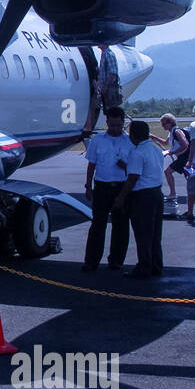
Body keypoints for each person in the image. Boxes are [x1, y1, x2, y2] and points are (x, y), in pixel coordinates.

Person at [82, 106, 133, 272]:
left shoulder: (130, 142)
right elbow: (91, 164)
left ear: (123, 123)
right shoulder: (98, 140)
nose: (115, 129)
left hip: (121, 187)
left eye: (118, 125)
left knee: (121, 225)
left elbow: (135, 169)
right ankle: (91, 261)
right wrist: (88, 186)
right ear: (107, 123)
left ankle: (116, 260)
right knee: (98, 225)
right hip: (102, 186)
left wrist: (125, 166)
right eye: (112, 125)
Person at [114, 120, 164, 279]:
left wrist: (121, 198)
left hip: (143, 196)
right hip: (157, 192)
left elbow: (133, 178)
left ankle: (144, 267)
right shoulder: (156, 150)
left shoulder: (136, 153)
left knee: (142, 233)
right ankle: (156, 264)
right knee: (155, 234)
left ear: (133, 136)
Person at [150, 113, 189, 218]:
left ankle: (173, 193)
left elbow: (185, 144)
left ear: (170, 123)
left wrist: (172, 152)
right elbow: (166, 143)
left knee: (167, 172)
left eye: (164, 124)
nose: (163, 126)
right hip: (181, 157)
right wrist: (153, 137)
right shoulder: (171, 133)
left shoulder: (177, 131)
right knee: (189, 180)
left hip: (184, 158)